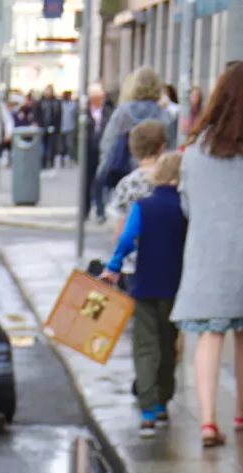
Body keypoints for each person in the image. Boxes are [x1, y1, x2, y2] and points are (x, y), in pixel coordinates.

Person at [171, 59, 243, 446]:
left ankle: (208, 420)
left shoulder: (195, 150)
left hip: (206, 250)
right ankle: (241, 408)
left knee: (209, 335)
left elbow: (187, 205)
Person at [102, 151, 187, 435]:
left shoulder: (143, 206)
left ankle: (148, 408)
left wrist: (113, 265)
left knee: (145, 345)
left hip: (145, 284)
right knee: (168, 344)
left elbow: (127, 239)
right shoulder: (186, 207)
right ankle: (163, 400)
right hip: (176, 287)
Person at [107, 119, 169, 281]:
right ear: (162, 147)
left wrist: (115, 262)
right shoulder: (171, 181)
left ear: (133, 150)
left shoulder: (127, 184)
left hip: (133, 264)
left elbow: (120, 231)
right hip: (167, 261)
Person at [97, 66, 176, 191]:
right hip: (155, 177)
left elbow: (108, 144)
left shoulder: (123, 112)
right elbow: (171, 148)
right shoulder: (165, 115)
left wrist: (102, 172)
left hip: (122, 174)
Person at [85, 83, 109, 220]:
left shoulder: (107, 112)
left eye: (101, 97)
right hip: (88, 151)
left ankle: (100, 210)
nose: (100, 100)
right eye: (97, 97)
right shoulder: (85, 112)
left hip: (102, 151)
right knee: (87, 182)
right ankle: (85, 211)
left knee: (100, 180)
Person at [36, 83, 61, 168]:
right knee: (43, 145)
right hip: (42, 126)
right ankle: (42, 163)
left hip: (53, 126)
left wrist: (57, 127)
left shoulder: (56, 102)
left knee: (51, 145)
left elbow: (58, 115)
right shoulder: (40, 102)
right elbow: (37, 114)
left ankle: (50, 162)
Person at [59, 89, 77, 163]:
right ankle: (62, 159)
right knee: (62, 145)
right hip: (61, 127)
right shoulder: (61, 104)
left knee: (70, 144)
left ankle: (70, 158)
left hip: (70, 127)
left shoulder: (73, 104)